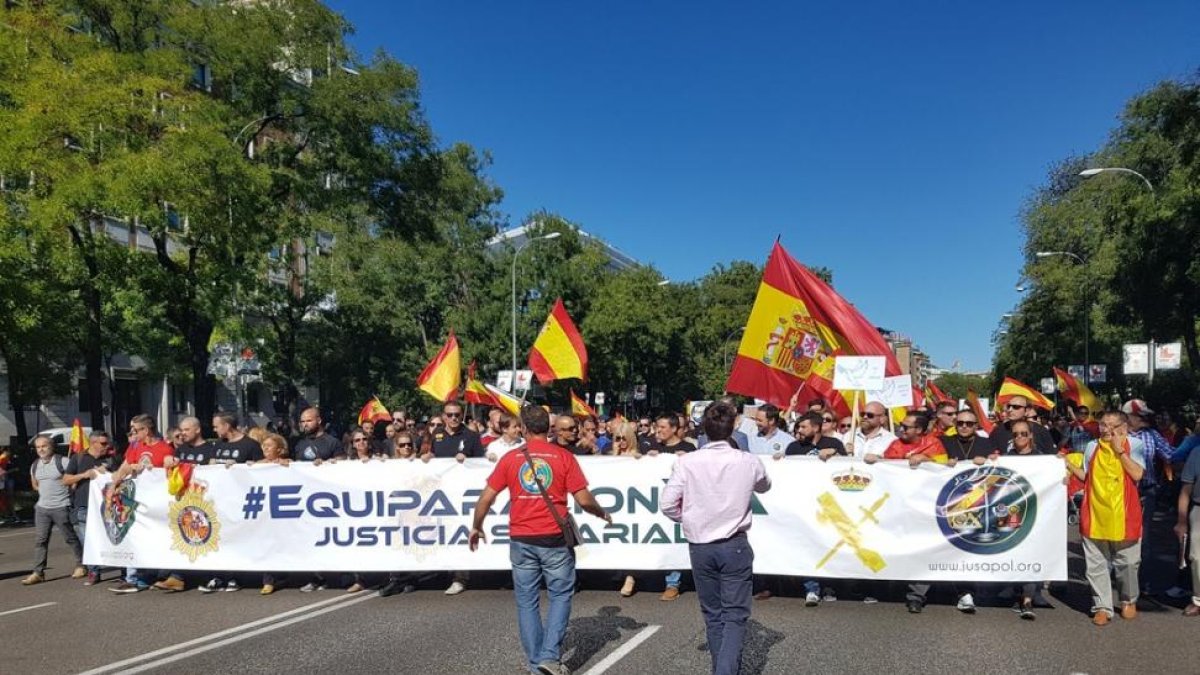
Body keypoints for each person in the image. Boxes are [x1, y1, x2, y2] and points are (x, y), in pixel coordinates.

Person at [468, 405, 610, 675]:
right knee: (559, 596)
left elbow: (486, 497)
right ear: (550, 428)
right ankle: (549, 658)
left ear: (522, 428)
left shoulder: (511, 459)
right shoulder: (563, 456)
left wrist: (476, 527)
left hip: (521, 537)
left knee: (527, 601)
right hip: (554, 537)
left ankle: (536, 665)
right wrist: (601, 512)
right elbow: (583, 499)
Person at [662, 401, 771, 675]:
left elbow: (667, 504)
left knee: (713, 615)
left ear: (703, 429)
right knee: (734, 615)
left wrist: (687, 518)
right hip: (733, 543)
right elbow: (765, 485)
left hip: (701, 545)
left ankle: (722, 669)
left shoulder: (687, 461)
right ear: (733, 426)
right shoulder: (747, 460)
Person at [1063, 410, 1146, 626]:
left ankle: (1128, 599)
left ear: (1123, 427)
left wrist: (1121, 453)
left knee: (1127, 562)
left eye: (1111, 425)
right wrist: (1068, 465)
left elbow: (1137, 474)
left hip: (1124, 513)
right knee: (1095, 563)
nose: (1106, 429)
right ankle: (1102, 606)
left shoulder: (1135, 444)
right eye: (1102, 425)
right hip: (1095, 511)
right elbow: (1087, 477)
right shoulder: (1092, 446)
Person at [109, 414, 175, 594]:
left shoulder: (164, 448)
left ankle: (158, 573)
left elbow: (169, 473)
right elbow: (125, 466)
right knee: (138, 539)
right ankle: (136, 578)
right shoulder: (135, 446)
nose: (133, 433)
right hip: (138, 503)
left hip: (158, 503)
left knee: (158, 539)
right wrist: (116, 481)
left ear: (146, 430)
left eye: (135, 430)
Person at [424, 400, 482, 595]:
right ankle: (444, 570)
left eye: (457, 414)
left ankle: (461, 576)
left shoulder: (472, 436)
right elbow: (433, 453)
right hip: (441, 493)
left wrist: (469, 461)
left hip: (462, 493)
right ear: (443, 416)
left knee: (461, 530)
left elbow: (481, 464)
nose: (454, 418)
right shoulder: (436, 434)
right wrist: (428, 457)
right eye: (449, 415)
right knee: (442, 530)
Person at [1123, 399, 1175, 595]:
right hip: (1121, 493)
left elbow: (1171, 455)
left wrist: (1191, 446)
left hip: (1147, 491)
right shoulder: (1116, 436)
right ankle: (1121, 575)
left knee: (1143, 538)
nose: (1146, 418)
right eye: (1141, 415)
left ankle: (1141, 581)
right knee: (1119, 534)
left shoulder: (1152, 435)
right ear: (1128, 417)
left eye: (1146, 415)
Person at [23, 435, 86, 585]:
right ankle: (38, 572)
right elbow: (35, 484)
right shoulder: (35, 465)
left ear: (51, 446)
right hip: (42, 508)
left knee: (70, 538)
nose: (41, 449)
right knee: (40, 540)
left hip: (61, 506)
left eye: (44, 446)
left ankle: (81, 565)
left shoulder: (63, 461)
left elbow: (74, 479)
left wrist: (69, 492)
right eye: (38, 447)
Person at [62, 431, 117, 585]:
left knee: (112, 537)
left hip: (106, 506)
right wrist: (84, 475)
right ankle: (94, 571)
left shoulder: (111, 459)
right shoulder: (78, 458)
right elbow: (65, 480)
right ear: (93, 443)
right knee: (87, 541)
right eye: (103, 444)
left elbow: (120, 477)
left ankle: (124, 570)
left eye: (108, 443)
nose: (107, 446)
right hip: (83, 506)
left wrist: (108, 473)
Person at [1005, 420, 1042, 619]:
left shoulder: (1042, 458)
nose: (1019, 437)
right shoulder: (1006, 458)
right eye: (1016, 434)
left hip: (1035, 512)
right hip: (1013, 512)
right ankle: (1017, 591)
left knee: (1031, 552)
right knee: (1015, 552)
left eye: (1023, 434)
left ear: (1031, 436)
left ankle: (1028, 599)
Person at [255, 433, 290, 595]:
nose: (265, 448)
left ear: (280, 449)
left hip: (284, 510)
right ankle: (268, 580)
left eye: (270, 445)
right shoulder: (257, 465)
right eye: (264, 445)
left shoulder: (287, 464)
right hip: (265, 510)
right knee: (266, 542)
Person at [1175, 428, 1200, 617]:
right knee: (1196, 557)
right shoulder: (1196, 453)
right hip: (1198, 508)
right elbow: (1185, 490)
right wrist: (1181, 521)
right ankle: (1198, 600)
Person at [989, 396, 1055, 454]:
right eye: (1009, 406)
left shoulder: (1041, 431)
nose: (1010, 410)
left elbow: (1052, 455)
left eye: (1016, 407)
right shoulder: (998, 432)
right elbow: (988, 454)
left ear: (1027, 410)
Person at [877, 413, 946, 466]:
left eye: (905, 427)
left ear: (919, 430)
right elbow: (887, 465)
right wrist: (876, 459)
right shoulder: (896, 444)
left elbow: (944, 466)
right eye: (901, 425)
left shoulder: (933, 444)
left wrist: (927, 460)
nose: (901, 429)